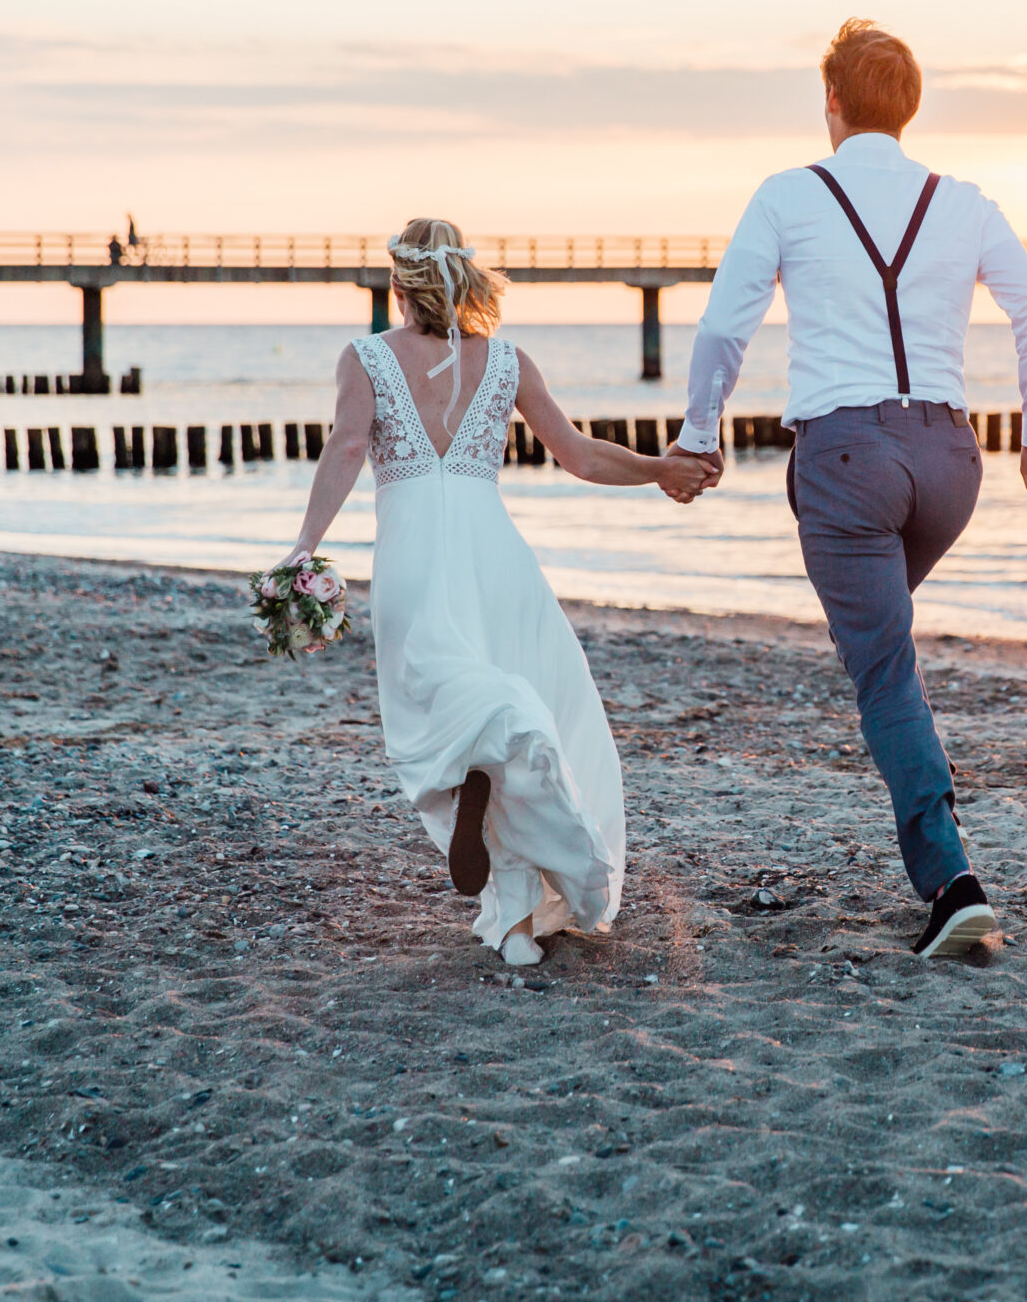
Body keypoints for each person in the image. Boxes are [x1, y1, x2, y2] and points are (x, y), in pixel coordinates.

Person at [670, 19, 1027, 959]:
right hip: (949, 462)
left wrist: (698, 434)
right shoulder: (963, 201)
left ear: (833, 103)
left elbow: (725, 326)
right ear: (911, 106)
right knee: (886, 658)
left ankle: (952, 882)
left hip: (847, 460)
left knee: (884, 670)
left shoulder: (788, 196)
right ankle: (934, 821)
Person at [280, 219, 714, 966]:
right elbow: (578, 455)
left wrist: (304, 547)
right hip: (497, 557)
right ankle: (515, 895)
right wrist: (658, 468)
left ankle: (510, 917)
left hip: (415, 558)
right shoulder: (508, 362)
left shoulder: (368, 358)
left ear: (399, 282)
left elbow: (348, 448)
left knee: (450, 708)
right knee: (516, 700)